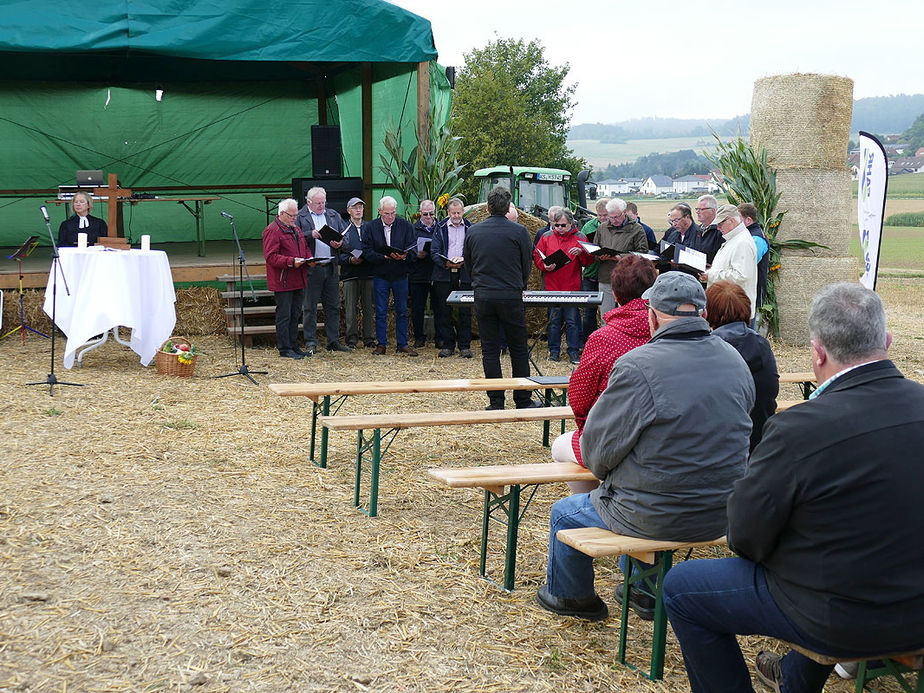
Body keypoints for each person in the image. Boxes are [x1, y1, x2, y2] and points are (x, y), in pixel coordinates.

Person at [662, 282, 924, 693]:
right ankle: (794, 680)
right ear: (886, 341)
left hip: (841, 616)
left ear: (817, 353)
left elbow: (745, 536)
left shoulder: (800, 428)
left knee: (682, 587)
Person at [536, 271, 754, 621]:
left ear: (651, 315)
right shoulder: (734, 360)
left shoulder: (638, 366)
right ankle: (642, 587)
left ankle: (572, 598)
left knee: (565, 514)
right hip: (722, 511)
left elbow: (596, 452)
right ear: (701, 313)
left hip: (657, 513)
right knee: (645, 489)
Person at [550, 255, 656, 492]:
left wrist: (586, 427)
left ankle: (589, 506)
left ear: (615, 295)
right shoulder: (664, 331)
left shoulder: (604, 338)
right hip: (656, 437)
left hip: (614, 437)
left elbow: (579, 396)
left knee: (559, 446)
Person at [463, 186, 537, 410]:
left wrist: (480, 283)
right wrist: (518, 284)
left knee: (490, 350)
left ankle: (496, 401)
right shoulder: (520, 232)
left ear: (487, 207)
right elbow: (527, 265)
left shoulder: (474, 232)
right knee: (518, 348)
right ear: (508, 208)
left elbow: (469, 264)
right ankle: (522, 399)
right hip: (511, 294)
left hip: (484, 295)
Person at [705, 281, 778, 451]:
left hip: (719, 448)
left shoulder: (708, 351)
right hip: (760, 441)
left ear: (708, 312)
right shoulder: (762, 346)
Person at [533, 208, 593, 364]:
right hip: (552, 285)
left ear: (571, 223)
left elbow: (589, 261)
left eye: (563, 225)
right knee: (554, 321)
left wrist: (582, 253)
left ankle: (573, 351)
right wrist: (544, 266)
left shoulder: (580, 237)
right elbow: (537, 255)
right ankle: (554, 351)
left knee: (572, 321)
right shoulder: (546, 237)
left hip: (571, 286)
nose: (559, 228)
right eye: (557, 225)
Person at [296, 186, 351, 354]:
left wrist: (341, 243)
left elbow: (347, 237)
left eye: (323, 202)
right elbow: (294, 238)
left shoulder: (333, 215)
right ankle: (311, 342)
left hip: (331, 266)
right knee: (310, 307)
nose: (321, 206)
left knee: (333, 306)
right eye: (318, 203)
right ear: (309, 202)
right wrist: (309, 234)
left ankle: (333, 341)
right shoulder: (300, 217)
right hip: (312, 268)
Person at [362, 196, 418, 356]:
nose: (390, 217)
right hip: (381, 274)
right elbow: (366, 250)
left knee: (401, 310)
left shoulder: (405, 226)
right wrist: (383, 257)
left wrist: (405, 256)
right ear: (379, 212)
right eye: (387, 213)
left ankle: (403, 344)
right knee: (380, 310)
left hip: (400, 274)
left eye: (393, 213)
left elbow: (413, 247)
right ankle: (382, 344)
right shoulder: (371, 227)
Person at [262, 198, 313, 359]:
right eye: (291, 215)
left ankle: (293, 345)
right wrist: (291, 262)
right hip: (283, 281)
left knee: (295, 314)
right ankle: (284, 348)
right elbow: (270, 257)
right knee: (284, 315)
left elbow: (304, 248)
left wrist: (310, 259)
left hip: (298, 278)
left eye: (296, 215)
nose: (294, 218)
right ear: (282, 214)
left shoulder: (296, 230)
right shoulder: (273, 230)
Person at [701, 204, 758, 321]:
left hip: (735, 309)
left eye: (720, 224)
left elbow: (741, 275)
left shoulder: (742, 242)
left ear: (731, 220)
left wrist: (711, 275)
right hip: (729, 307)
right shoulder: (735, 239)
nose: (718, 228)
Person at [594, 198, 648, 318]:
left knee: (626, 317)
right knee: (606, 316)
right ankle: (607, 336)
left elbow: (643, 253)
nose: (614, 220)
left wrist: (621, 257)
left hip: (627, 279)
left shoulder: (637, 229)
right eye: (611, 217)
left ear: (624, 213)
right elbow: (595, 248)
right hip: (605, 277)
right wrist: (600, 256)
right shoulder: (602, 228)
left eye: (617, 217)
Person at [432, 198, 473, 358]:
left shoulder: (470, 227)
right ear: (448, 212)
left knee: (465, 311)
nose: (456, 215)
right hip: (444, 274)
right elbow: (434, 251)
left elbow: (474, 249)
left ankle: (465, 346)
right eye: (453, 212)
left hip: (464, 274)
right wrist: (446, 263)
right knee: (444, 310)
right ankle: (448, 345)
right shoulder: (440, 227)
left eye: (458, 212)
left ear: (463, 212)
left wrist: (464, 262)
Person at [340, 197, 375, 348]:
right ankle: (352, 338)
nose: (358, 210)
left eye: (360, 207)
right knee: (350, 309)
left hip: (367, 273)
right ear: (349, 211)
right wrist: (349, 260)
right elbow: (338, 253)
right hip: (350, 274)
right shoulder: (343, 229)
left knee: (368, 307)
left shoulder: (370, 227)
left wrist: (369, 256)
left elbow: (376, 247)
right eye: (355, 208)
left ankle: (369, 338)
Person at [579, 198, 609, 345]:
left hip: (609, 276)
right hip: (591, 274)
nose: (602, 218)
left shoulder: (613, 227)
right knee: (588, 312)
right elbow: (583, 246)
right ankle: (588, 343)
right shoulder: (588, 227)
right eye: (599, 215)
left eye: (605, 215)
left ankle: (607, 342)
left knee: (609, 312)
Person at [409, 200, 439, 349]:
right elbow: (407, 249)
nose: (428, 217)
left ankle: (440, 337)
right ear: (420, 213)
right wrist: (416, 254)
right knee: (417, 307)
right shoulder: (413, 229)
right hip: (418, 273)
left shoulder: (440, 228)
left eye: (431, 214)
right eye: (425, 214)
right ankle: (419, 337)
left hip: (437, 272)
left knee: (439, 307)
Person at [737, 202, 769, 316]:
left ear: (748, 220)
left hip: (751, 290)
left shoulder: (757, 238)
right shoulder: (747, 234)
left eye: (738, 219)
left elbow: (748, 263)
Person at [694, 194, 723, 263]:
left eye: (701, 209)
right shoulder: (697, 230)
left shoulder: (720, 231)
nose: (697, 212)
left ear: (712, 211)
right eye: (697, 209)